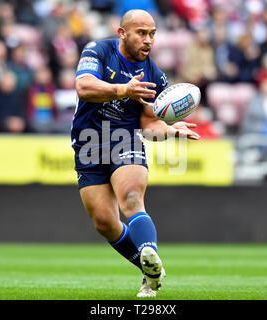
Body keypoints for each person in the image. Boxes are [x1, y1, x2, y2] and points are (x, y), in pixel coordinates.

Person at [72, 9, 200, 297]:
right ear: (122, 33)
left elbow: (148, 125)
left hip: (124, 139)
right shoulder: (98, 50)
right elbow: (83, 87)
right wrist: (123, 90)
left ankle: (149, 253)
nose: (148, 40)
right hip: (88, 143)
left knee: (131, 198)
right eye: (141, 33)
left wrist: (169, 130)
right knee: (104, 222)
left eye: (152, 33)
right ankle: (150, 270)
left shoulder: (154, 74)